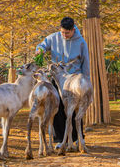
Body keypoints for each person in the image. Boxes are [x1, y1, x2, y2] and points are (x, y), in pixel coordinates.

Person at [36, 16, 90, 145]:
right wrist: (40, 50)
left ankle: (77, 138)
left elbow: (85, 62)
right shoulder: (53, 37)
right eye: (62, 32)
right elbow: (42, 45)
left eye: (67, 32)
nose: (64, 35)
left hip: (74, 80)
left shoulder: (81, 42)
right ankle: (60, 139)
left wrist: (86, 79)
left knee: (74, 108)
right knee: (56, 107)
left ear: (73, 30)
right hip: (58, 78)